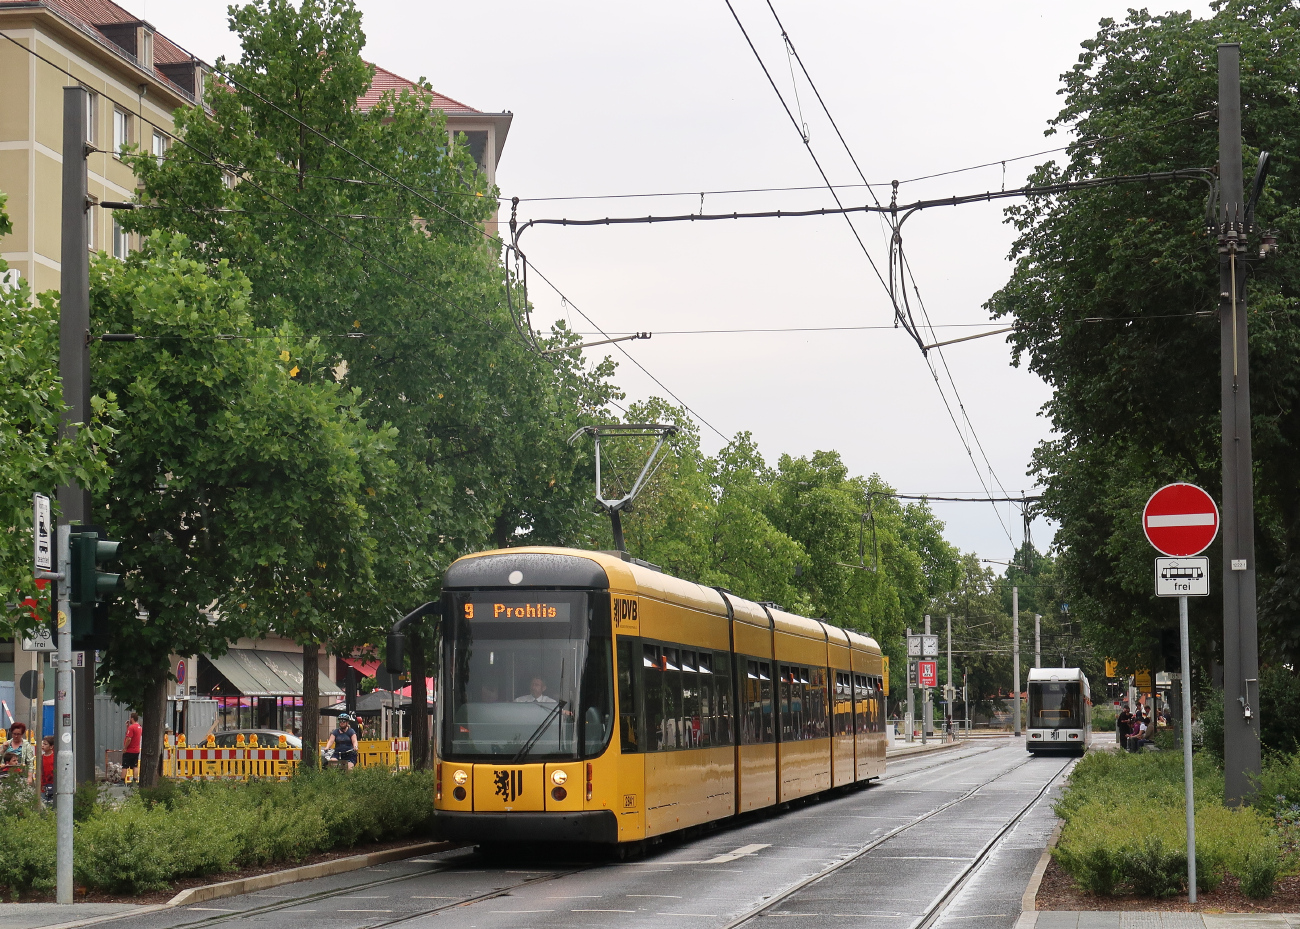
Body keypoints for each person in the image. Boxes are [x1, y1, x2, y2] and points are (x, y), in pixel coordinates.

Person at [122, 712, 142, 777]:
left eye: (130, 718)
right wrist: (127, 727)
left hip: (129, 750)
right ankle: (135, 779)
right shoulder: (139, 727)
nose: (129, 719)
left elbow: (129, 739)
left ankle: (122, 781)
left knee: (125, 766)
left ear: (132, 718)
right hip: (136, 750)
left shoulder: (132, 727)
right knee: (135, 766)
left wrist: (125, 747)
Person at [39, 735, 54, 804]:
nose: (42, 745)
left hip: (52, 784)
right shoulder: (41, 757)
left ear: (51, 747)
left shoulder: (54, 757)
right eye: (42, 743)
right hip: (44, 785)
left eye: (45, 744)